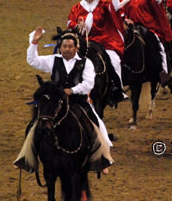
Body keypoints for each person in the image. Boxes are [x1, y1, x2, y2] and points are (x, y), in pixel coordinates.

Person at [13, 28, 114, 174]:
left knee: (97, 124)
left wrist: (72, 90)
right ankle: (26, 157)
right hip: (56, 102)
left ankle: (102, 158)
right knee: (34, 124)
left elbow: (88, 84)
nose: (67, 49)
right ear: (60, 47)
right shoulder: (53, 60)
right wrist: (34, 42)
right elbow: (33, 60)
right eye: (64, 47)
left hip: (77, 101)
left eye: (70, 47)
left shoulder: (86, 63)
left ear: (76, 48)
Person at [68, 0, 128, 106]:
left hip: (103, 40)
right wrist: (78, 26)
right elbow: (70, 23)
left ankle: (117, 89)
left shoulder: (103, 5)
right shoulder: (77, 8)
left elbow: (117, 7)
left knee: (114, 60)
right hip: (83, 41)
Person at [118, 0, 172, 87]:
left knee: (157, 45)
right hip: (131, 26)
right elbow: (120, 10)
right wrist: (125, 19)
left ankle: (163, 72)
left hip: (146, 25)